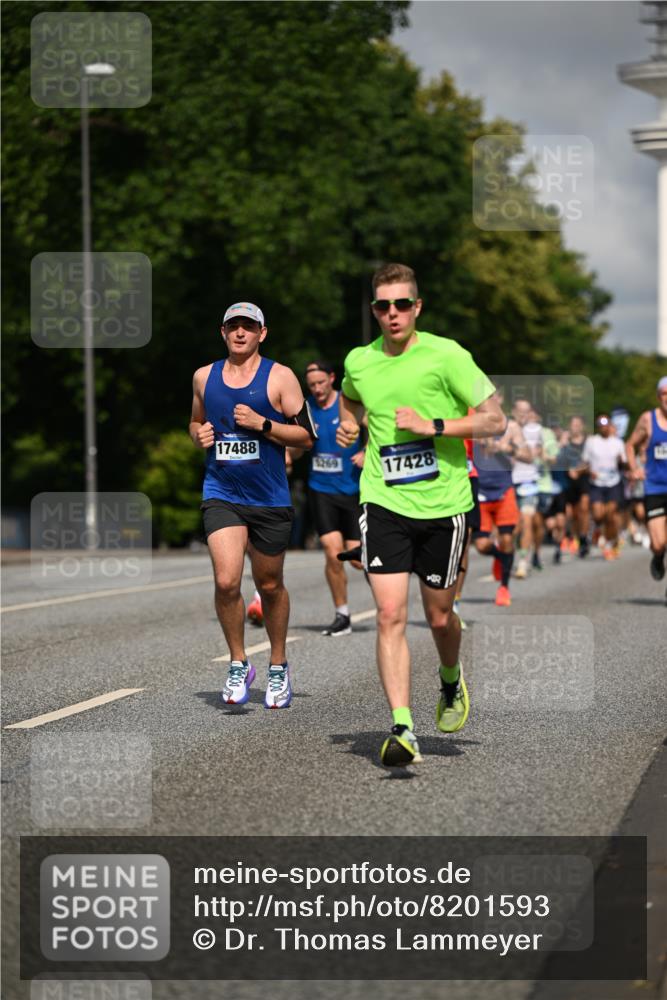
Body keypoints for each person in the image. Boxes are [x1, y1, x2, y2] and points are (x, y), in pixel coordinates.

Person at [336, 263, 503, 767]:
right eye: (383, 306)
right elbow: (349, 399)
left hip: (444, 505)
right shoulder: (360, 361)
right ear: (374, 310)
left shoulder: (446, 355)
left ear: (417, 307)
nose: (393, 314)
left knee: (438, 616)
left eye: (402, 304)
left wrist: (433, 424)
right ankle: (403, 727)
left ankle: (450, 680)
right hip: (383, 501)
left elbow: (494, 418)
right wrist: (349, 427)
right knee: (389, 614)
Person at [189, 302, 315, 708]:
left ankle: (278, 665)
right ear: (222, 332)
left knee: (270, 585)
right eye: (233, 326)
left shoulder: (279, 377)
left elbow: (306, 436)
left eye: (249, 326)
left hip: (270, 497)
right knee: (227, 581)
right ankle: (238, 662)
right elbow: (194, 421)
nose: (240, 333)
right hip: (222, 492)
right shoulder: (204, 377)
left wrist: (263, 424)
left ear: (263, 333)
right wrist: (199, 435)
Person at [289, 361, 364, 636]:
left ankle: (388, 601)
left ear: (332, 379)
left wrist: (367, 452)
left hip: (353, 490)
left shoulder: (348, 403)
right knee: (333, 553)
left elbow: (379, 429)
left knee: (357, 559)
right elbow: (299, 445)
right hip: (321, 490)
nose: (317, 389)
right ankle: (342, 615)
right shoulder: (306, 408)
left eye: (321, 382)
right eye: (312, 385)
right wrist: (288, 454)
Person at [473, 390, 530, 605]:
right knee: (481, 545)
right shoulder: (473, 423)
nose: (492, 400)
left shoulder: (511, 427)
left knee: (507, 539)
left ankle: (504, 588)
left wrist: (508, 449)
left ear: (502, 399)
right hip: (481, 491)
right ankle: (499, 557)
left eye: (495, 396)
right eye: (487, 397)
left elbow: (528, 456)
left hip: (504, 489)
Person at [626, 377, 667, 591]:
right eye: (664, 393)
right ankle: (658, 557)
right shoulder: (648, 419)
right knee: (659, 543)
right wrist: (634, 469)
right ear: (658, 396)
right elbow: (630, 445)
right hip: (655, 488)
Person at [582, 414, 627, 559]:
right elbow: (585, 462)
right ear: (598, 428)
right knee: (597, 514)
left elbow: (624, 463)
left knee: (610, 514)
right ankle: (599, 531)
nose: (603, 428)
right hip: (597, 483)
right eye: (600, 426)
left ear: (610, 426)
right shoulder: (592, 442)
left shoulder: (617, 442)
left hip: (613, 482)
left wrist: (622, 462)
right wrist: (590, 471)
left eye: (606, 425)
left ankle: (610, 541)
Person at [510, 399, 543, 578]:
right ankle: (509, 556)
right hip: (509, 481)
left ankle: (523, 561)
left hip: (528, 481)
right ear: (513, 411)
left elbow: (538, 451)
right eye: (520, 411)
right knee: (514, 525)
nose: (524, 415)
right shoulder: (506, 427)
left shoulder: (536, 430)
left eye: (527, 411)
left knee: (527, 520)